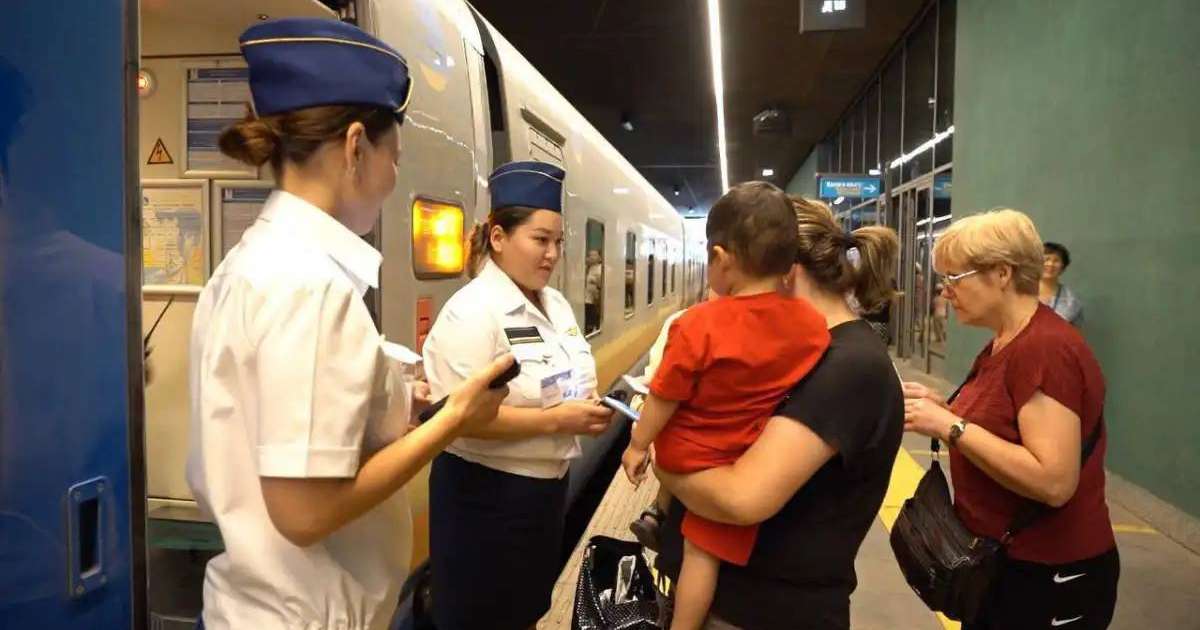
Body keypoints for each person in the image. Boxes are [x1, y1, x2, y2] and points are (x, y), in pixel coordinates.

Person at [185, 19, 512, 630]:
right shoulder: (310, 286)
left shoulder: (249, 266)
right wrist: (456, 422)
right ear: (357, 146)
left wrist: (391, 403)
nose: (392, 179)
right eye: (394, 157)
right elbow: (305, 512)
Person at [651, 196, 902, 630]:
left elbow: (741, 497)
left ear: (786, 272)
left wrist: (661, 460)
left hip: (761, 611)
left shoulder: (850, 366)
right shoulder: (805, 350)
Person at [621, 182, 832, 630]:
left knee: (701, 555)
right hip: (747, 450)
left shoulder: (698, 325)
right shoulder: (813, 327)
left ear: (720, 259)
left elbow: (664, 396)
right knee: (706, 550)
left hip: (692, 454)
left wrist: (638, 445)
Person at [421, 160, 616, 630]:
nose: (551, 254)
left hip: (542, 496)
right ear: (499, 237)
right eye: (540, 240)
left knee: (526, 611)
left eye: (558, 242)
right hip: (484, 496)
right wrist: (560, 420)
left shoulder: (555, 303)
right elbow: (459, 419)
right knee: (478, 617)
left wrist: (584, 407)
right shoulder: (471, 314)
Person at [904, 209, 1118, 629]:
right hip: (1005, 565)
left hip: (1048, 573)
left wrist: (950, 426)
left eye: (955, 277)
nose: (945, 291)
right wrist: (945, 411)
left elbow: (1053, 481)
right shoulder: (1005, 342)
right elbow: (1006, 428)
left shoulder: (1044, 349)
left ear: (1002, 273)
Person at [1040, 241, 1084, 325]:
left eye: (1056, 261)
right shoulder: (1021, 294)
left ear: (1062, 267)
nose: (1050, 264)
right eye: (1046, 259)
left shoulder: (1071, 301)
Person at [585, 249, 603, 333]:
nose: (591, 257)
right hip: (586, 299)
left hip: (595, 300)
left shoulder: (601, 269)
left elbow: (604, 285)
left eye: (594, 255)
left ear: (599, 257)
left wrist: (595, 282)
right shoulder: (587, 268)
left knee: (592, 321)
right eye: (590, 255)